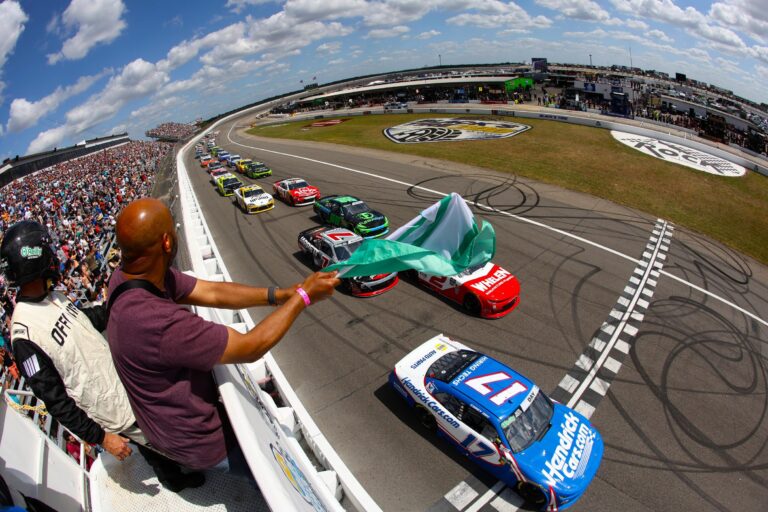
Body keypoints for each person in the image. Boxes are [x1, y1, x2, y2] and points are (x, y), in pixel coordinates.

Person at [107, 198, 340, 471]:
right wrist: (303, 297)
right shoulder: (156, 321)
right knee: (273, 470)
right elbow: (250, 346)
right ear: (167, 243)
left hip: (168, 422)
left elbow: (212, 292)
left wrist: (280, 295)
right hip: (201, 443)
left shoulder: (127, 278)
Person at [0, 220, 203, 492]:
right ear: (34, 261)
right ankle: (176, 478)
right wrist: (102, 437)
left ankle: (175, 473)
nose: (55, 259)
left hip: (124, 382)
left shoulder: (54, 297)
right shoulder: (25, 336)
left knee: (163, 434)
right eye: (48, 252)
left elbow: (89, 320)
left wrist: (127, 300)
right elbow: (55, 401)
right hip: (113, 407)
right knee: (161, 442)